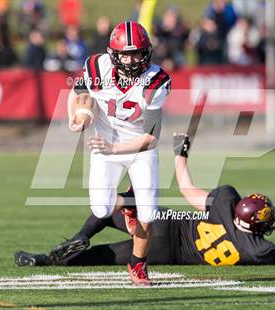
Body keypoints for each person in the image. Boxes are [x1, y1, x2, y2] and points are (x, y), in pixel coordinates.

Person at [15, 134, 275, 269]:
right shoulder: (258, 250)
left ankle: (82, 233)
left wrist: (181, 154)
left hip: (171, 219)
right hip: (171, 251)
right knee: (99, 259)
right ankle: (46, 260)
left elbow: (187, 189)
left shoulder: (225, 200)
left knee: (112, 205)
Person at [66, 21, 171, 286]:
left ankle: (138, 264)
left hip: (138, 147)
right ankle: (128, 202)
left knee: (148, 215)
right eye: (125, 53)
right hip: (106, 139)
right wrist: (75, 118)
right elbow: (77, 91)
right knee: (100, 208)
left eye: (137, 53)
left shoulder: (156, 81)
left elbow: (151, 139)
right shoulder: (96, 67)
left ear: (147, 52)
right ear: (113, 54)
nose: (132, 59)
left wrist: (113, 149)